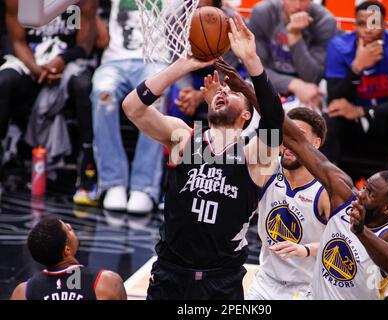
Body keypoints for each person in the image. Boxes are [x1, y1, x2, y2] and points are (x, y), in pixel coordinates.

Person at [216, 33, 388, 301]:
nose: (361, 195)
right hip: (270, 283)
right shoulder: (342, 192)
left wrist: (359, 231)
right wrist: (247, 87)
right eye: (365, 188)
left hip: (302, 288)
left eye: (370, 195)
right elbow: (285, 132)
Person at [122, 13, 283, 300]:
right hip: (170, 273)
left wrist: (251, 60)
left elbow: (274, 120)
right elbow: (132, 107)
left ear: (247, 115)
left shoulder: (254, 154)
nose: (223, 89)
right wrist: (184, 64)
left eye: (232, 92)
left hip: (221, 280)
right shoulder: (185, 137)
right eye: (221, 88)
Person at [321, 1, 388, 203]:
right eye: (360, 24)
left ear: (385, 25)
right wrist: (357, 67)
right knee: (328, 121)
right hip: (352, 122)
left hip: (385, 119)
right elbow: (334, 98)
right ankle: (328, 195)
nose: (366, 30)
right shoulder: (340, 46)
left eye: (373, 24)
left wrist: (363, 111)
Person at [1, 0, 98, 203]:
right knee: (4, 81)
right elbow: (18, 41)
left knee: (83, 86)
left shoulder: (78, 3)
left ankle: (87, 170)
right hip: (31, 61)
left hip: (68, 60)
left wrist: (61, 60)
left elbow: (84, 45)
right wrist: (38, 69)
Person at [91, 0, 169, 213]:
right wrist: (94, 19)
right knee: (102, 94)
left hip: (155, 59)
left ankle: (145, 186)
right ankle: (112, 181)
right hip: (114, 60)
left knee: (156, 98)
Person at [247, 107, 330, 300]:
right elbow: (228, 153)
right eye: (286, 133)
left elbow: (347, 242)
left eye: (298, 135)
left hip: (306, 288)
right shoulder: (268, 167)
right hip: (265, 281)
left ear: (316, 143)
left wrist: (307, 249)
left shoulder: (326, 189)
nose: (289, 141)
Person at [10, 216, 127, 300]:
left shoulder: (23, 292)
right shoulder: (106, 283)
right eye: (67, 229)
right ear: (67, 250)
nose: (70, 226)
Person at [248, 0, 337, 109]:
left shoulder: (324, 21)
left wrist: (295, 35)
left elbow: (313, 77)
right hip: (268, 82)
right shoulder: (263, 12)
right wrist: (294, 84)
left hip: (307, 88)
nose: (297, 6)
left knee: (314, 106)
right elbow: (253, 67)